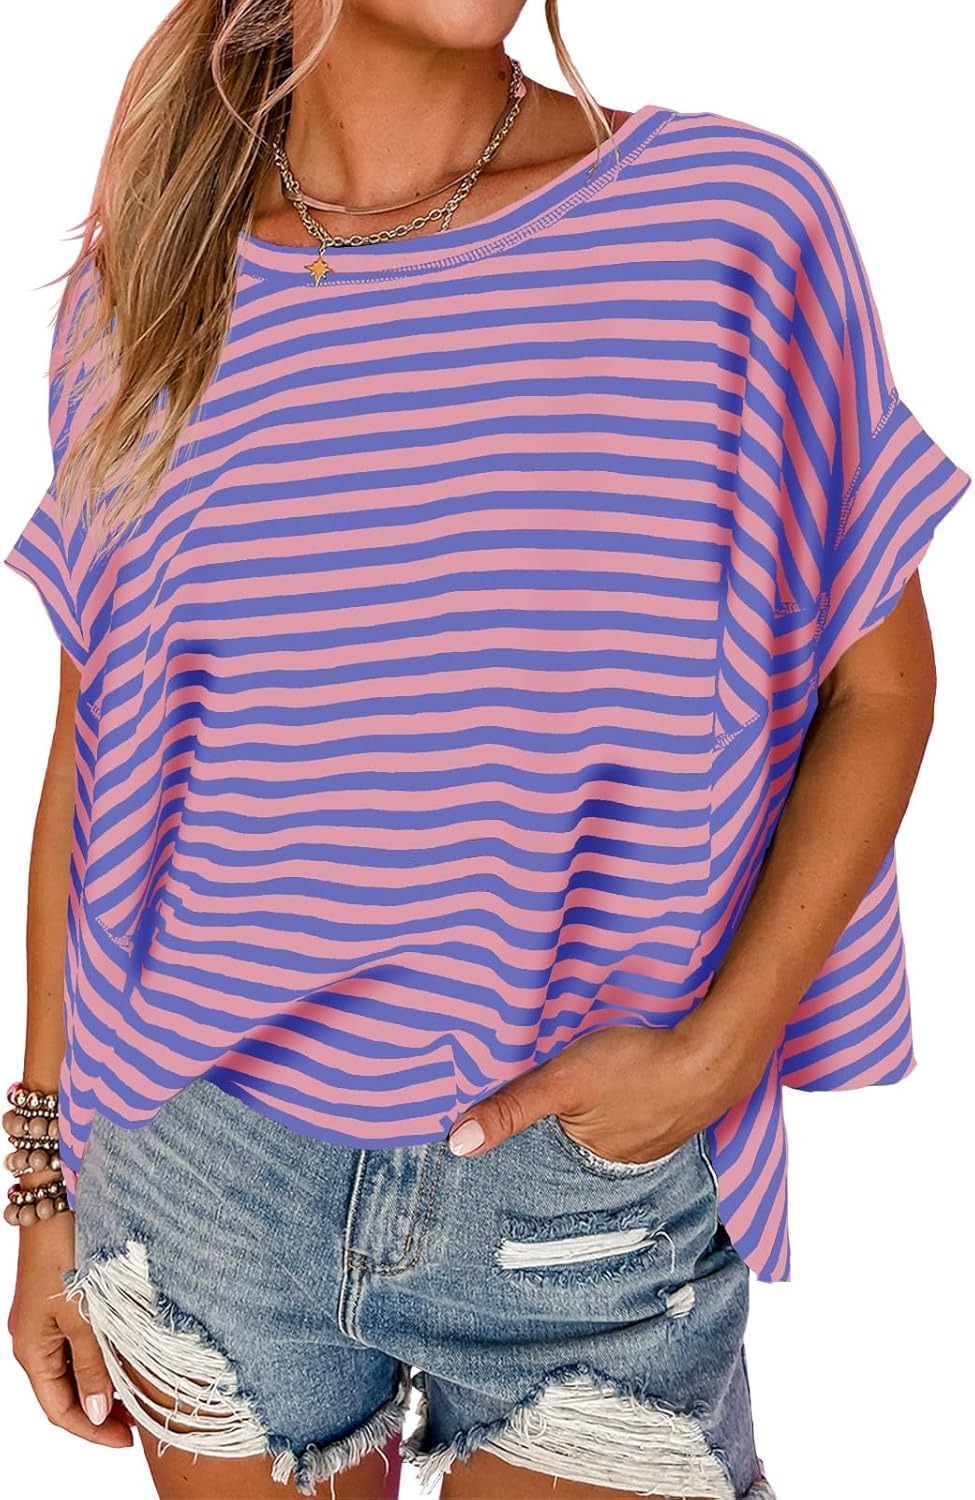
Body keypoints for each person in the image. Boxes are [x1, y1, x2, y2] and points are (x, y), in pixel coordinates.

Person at [3, 1, 970, 1497]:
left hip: (576, 1182)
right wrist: (40, 1178)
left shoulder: (729, 224)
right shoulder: (159, 271)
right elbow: (101, 751)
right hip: (197, 1163)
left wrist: (716, 1055)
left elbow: (881, 686)